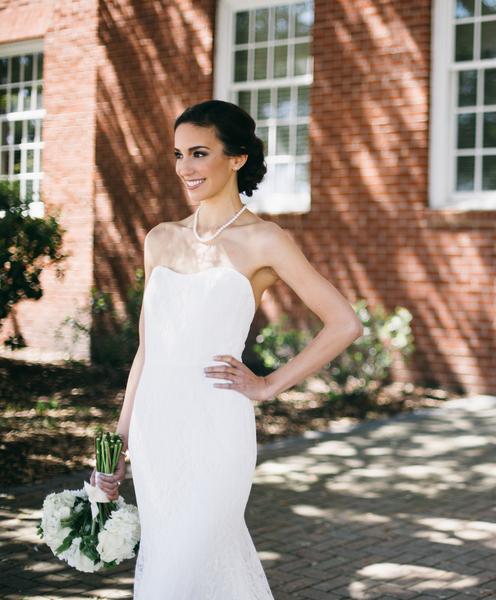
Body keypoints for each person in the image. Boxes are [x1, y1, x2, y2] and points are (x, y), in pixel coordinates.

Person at [90, 99, 364, 598]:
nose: (185, 168)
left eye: (199, 153)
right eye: (178, 154)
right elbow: (148, 351)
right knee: (174, 564)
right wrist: (118, 443)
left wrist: (268, 385)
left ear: (237, 158)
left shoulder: (265, 240)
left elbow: (344, 323)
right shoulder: (160, 239)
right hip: (156, 431)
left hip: (217, 429)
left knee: (181, 571)